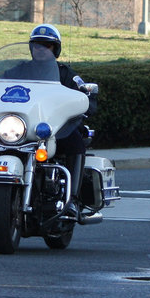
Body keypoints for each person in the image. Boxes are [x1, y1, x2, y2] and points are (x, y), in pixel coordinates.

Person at [27, 24, 96, 217]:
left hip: (55, 130)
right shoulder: (18, 71)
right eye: (37, 45)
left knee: (75, 143)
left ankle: (72, 199)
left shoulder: (66, 74)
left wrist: (82, 103)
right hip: (22, 129)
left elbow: (87, 99)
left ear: (55, 49)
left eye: (46, 46)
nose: (40, 50)